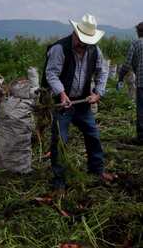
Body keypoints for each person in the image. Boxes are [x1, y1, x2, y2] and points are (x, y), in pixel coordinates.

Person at [42, 13, 112, 189]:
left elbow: (102, 72)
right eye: (82, 40)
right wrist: (62, 93)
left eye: (88, 41)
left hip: (82, 102)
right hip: (63, 103)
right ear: (75, 33)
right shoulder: (60, 48)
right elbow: (51, 73)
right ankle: (59, 180)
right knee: (60, 140)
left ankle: (97, 170)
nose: (84, 45)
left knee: (93, 135)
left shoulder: (94, 50)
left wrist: (98, 93)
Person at [117, 22, 143, 145]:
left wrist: (120, 77)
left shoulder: (135, 44)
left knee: (141, 111)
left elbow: (127, 64)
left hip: (141, 83)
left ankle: (141, 138)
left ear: (138, 32)